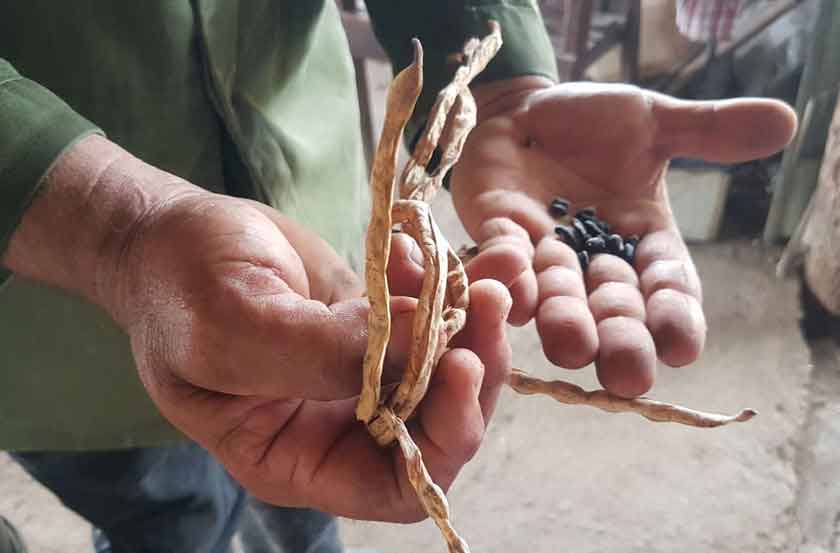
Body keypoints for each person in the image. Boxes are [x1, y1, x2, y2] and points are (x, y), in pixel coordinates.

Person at [0, 1, 796, 552]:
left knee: (313, 503)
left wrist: (497, 71)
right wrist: (110, 222)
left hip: (314, 221)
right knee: (166, 523)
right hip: (61, 339)